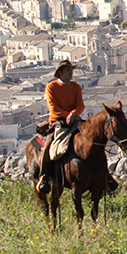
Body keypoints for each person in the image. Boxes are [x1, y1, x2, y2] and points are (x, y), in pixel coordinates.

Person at [37, 60, 85, 194]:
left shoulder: (76, 87)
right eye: (68, 70)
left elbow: (80, 105)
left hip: (75, 120)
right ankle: (44, 177)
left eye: (71, 70)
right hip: (57, 122)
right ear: (60, 73)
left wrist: (74, 114)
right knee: (48, 145)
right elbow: (53, 109)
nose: (71, 72)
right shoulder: (51, 87)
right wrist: (68, 115)